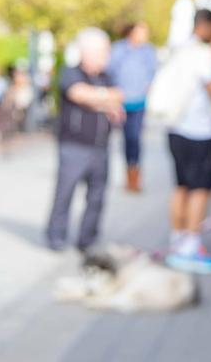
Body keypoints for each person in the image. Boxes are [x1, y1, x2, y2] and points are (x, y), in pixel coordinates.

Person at [46, 28, 124, 256]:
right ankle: (56, 235)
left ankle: (87, 239)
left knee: (97, 196)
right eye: (102, 51)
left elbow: (119, 96)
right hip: (74, 144)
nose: (106, 56)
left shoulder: (106, 76)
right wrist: (104, 98)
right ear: (87, 52)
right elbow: (79, 94)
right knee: (65, 192)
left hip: (101, 145)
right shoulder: (70, 72)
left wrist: (99, 98)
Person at [164, 9, 211, 275]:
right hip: (198, 130)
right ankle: (190, 245)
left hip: (175, 127)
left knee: (181, 185)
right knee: (200, 188)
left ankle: (177, 240)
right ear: (209, 26)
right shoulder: (203, 54)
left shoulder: (178, 49)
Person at [108, 22, 157, 193]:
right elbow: (110, 71)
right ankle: (128, 175)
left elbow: (153, 72)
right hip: (122, 101)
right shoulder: (119, 49)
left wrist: (148, 87)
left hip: (139, 101)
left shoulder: (148, 51)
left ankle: (135, 177)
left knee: (135, 138)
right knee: (127, 139)